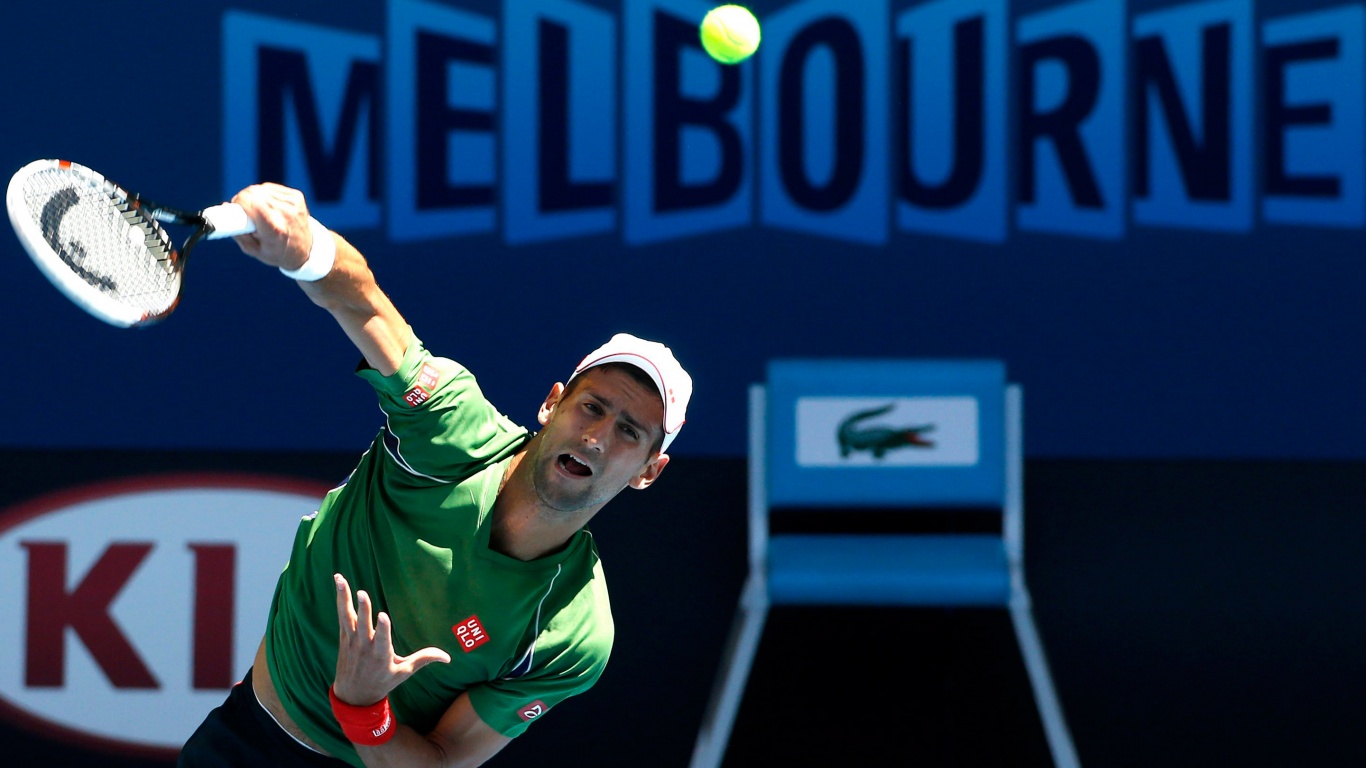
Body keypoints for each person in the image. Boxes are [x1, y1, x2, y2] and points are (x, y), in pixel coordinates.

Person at [177, 182, 692, 768]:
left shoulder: (573, 630)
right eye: (591, 407)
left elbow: (444, 762)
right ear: (552, 404)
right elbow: (362, 301)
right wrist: (304, 245)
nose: (597, 438)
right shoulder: (448, 430)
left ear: (650, 471)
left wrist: (363, 707)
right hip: (245, 738)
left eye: (629, 432)